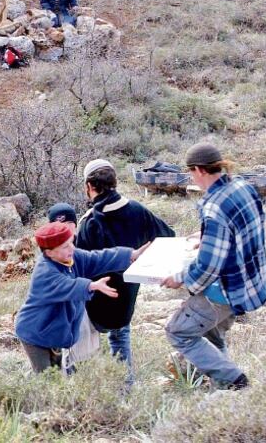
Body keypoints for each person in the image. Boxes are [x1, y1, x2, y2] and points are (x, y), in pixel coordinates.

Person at [160, 143, 266, 391]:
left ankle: (235, 379)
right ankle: (224, 391)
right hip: (253, 280)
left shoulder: (213, 207)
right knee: (212, 335)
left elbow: (208, 267)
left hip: (226, 289)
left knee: (178, 332)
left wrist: (180, 278)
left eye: (191, 173)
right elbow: (250, 226)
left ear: (199, 170)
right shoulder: (242, 186)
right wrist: (207, 237)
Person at [74, 159, 175, 376]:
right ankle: (125, 391)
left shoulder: (89, 222)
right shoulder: (138, 210)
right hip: (125, 300)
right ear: (115, 182)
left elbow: (76, 267)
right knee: (121, 340)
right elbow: (168, 237)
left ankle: (86, 391)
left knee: (82, 351)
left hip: (94, 306)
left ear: (89, 187)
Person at [14, 222, 149, 375]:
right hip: (35, 333)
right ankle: (28, 393)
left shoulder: (72, 257)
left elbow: (97, 258)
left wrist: (130, 255)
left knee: (55, 374)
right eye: (65, 246)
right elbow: (68, 286)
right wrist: (91, 285)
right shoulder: (44, 272)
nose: (72, 248)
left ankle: (31, 385)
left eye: (71, 242)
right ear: (49, 253)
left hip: (54, 332)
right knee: (48, 379)